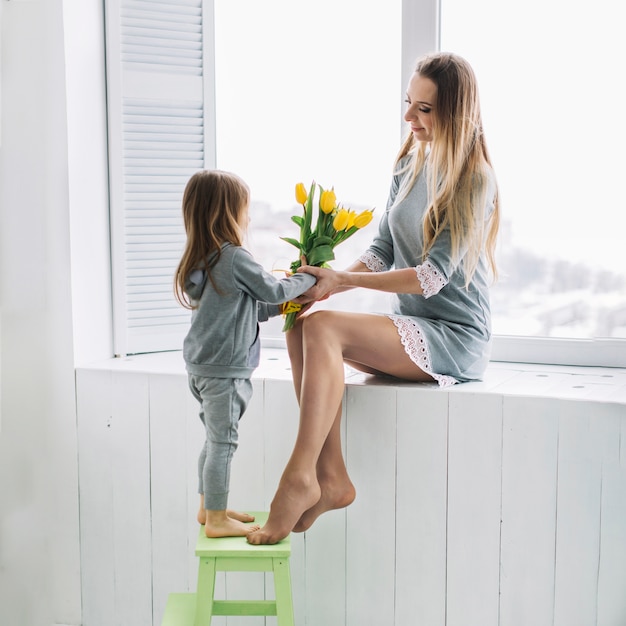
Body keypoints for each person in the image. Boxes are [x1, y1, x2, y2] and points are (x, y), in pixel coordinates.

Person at [247, 51, 500, 545]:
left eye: (425, 110)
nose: (410, 117)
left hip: (454, 338)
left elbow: (431, 277)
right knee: (303, 319)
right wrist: (330, 279)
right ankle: (332, 477)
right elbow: (383, 249)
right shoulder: (409, 160)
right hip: (413, 328)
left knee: (323, 327)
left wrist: (344, 284)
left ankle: (299, 477)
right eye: (410, 103)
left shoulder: (474, 179)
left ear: (456, 112)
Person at [174, 169, 316, 538]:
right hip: (223, 371)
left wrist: (287, 306)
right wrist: (307, 278)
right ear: (227, 214)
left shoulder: (205, 259)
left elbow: (249, 308)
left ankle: (210, 508)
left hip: (202, 366)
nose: (248, 217)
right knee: (224, 442)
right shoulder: (234, 257)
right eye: (244, 209)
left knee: (213, 439)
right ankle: (218, 519)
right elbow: (271, 290)